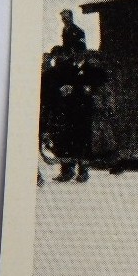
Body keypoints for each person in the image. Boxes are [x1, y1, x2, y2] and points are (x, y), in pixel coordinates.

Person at [46, 48, 105, 183]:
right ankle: (68, 170)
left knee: (83, 140)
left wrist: (89, 88)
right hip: (71, 110)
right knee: (69, 140)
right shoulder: (67, 68)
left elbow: (100, 81)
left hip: (85, 110)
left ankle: (83, 170)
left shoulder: (90, 69)